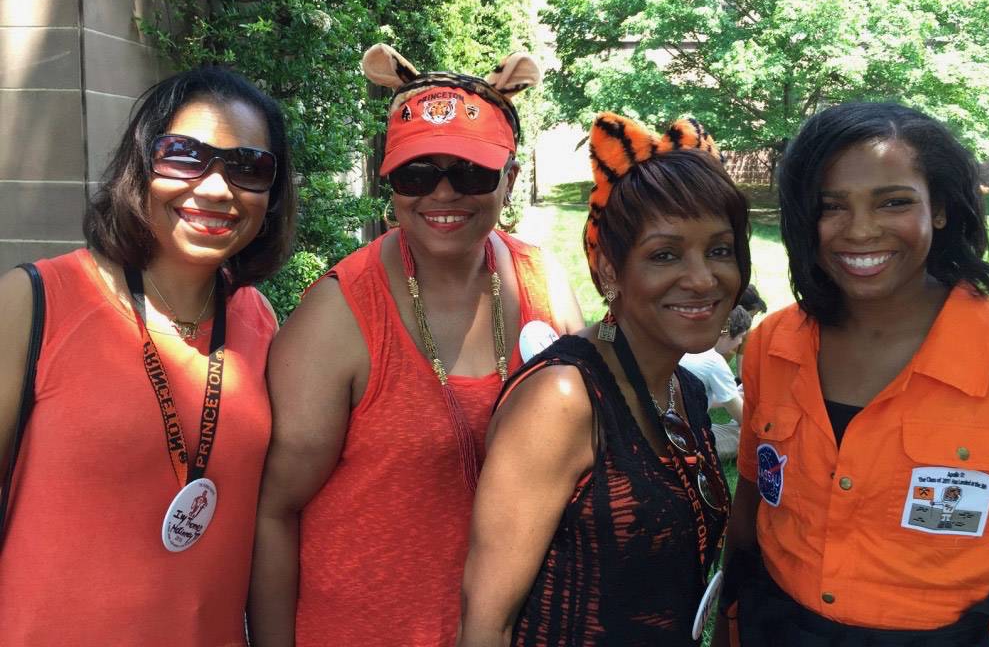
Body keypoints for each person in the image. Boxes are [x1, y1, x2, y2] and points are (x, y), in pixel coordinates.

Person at [248, 44, 584, 647]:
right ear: (390, 180)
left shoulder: (545, 284)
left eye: (472, 172)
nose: (444, 193)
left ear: (509, 177)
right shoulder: (339, 316)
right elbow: (275, 512)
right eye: (418, 173)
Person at [0, 66, 296, 644]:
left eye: (248, 168)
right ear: (141, 164)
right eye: (184, 155)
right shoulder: (33, 303)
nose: (215, 188)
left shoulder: (257, 320)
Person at [713, 102, 989, 646]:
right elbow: (755, 502)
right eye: (832, 206)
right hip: (776, 624)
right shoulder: (774, 344)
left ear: (942, 209)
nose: (860, 230)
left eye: (894, 202)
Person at [458, 112, 750, 647]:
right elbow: (486, 622)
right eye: (665, 254)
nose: (704, 278)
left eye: (720, 249)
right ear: (609, 269)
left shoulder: (683, 388)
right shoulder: (564, 398)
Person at [682, 305, 752, 459]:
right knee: (743, 433)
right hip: (684, 442)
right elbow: (743, 417)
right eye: (741, 336)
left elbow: (694, 399)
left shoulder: (683, 344)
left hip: (659, 430)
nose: (740, 342)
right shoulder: (714, 361)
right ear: (726, 334)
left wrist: (735, 394)